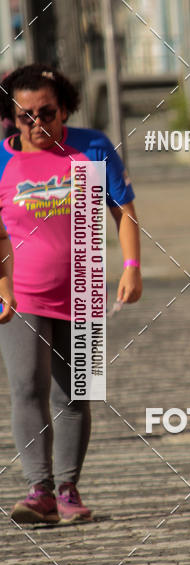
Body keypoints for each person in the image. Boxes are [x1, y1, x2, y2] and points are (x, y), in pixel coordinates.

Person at [0, 64, 142, 524]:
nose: (37, 124)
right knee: (26, 387)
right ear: (12, 118)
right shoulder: (1, 159)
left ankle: (67, 489)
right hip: (20, 294)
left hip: (84, 289)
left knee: (75, 393)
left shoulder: (93, 146)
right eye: (26, 116)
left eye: (47, 112)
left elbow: (123, 210)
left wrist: (132, 267)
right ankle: (38, 489)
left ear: (64, 108)